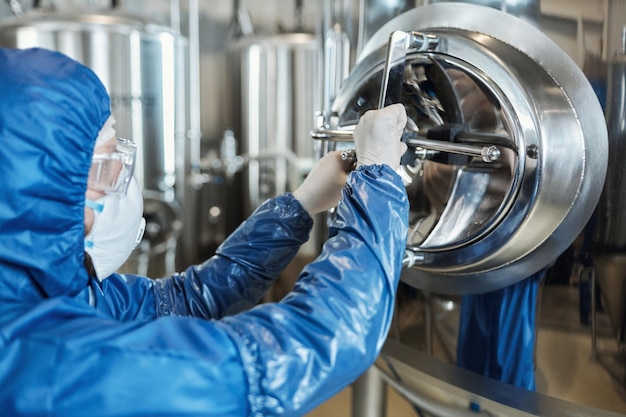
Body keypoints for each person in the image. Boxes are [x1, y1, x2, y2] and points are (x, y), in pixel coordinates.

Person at [0, 46, 409, 416]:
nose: (123, 183)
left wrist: (300, 206)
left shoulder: (51, 293)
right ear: (34, 190)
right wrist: (378, 180)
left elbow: (185, 299)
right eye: (107, 165)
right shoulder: (51, 364)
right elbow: (311, 344)